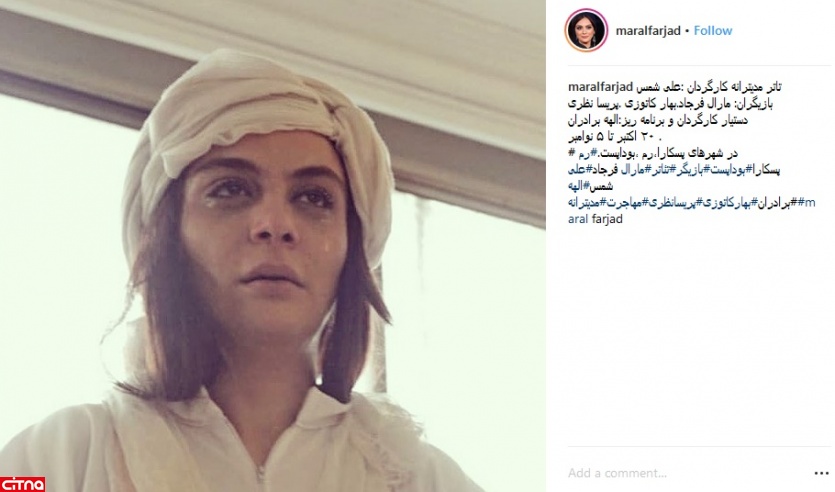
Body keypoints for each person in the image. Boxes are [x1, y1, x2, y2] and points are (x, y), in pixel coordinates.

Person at [0, 49, 483, 491]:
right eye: (231, 189)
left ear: (351, 250)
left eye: (314, 198)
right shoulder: (54, 460)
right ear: (166, 237)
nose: (275, 224)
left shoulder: (424, 480)